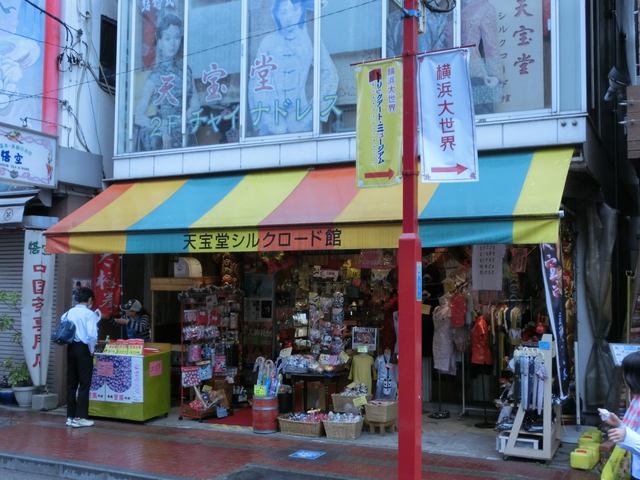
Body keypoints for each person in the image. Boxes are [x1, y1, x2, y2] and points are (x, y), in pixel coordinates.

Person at [248, 0, 338, 135]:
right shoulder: (268, 43)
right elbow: (255, 83)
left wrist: (316, 112)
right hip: (273, 121)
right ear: (276, 15)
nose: (289, 17)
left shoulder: (310, 39)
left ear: (301, 11)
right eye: (284, 12)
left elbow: (329, 74)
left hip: (303, 119)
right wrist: (264, 120)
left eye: (294, 10)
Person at [134, 13, 200, 151]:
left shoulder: (186, 71)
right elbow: (138, 116)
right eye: (167, 38)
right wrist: (160, 127)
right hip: (162, 139)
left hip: (185, 133)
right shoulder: (154, 77)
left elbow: (195, 103)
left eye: (177, 38)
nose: (173, 43)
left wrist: (185, 117)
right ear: (159, 41)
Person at [64, 287, 104, 428]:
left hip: (71, 348)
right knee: (84, 383)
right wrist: (91, 351)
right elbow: (92, 335)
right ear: (90, 299)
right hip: (83, 349)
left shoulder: (69, 312)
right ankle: (80, 417)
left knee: (71, 383)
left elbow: (63, 325)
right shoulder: (89, 314)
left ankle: (70, 416)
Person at [604, 351, 640, 479]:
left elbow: (630, 435)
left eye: (625, 373)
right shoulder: (637, 399)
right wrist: (618, 424)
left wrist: (626, 435)